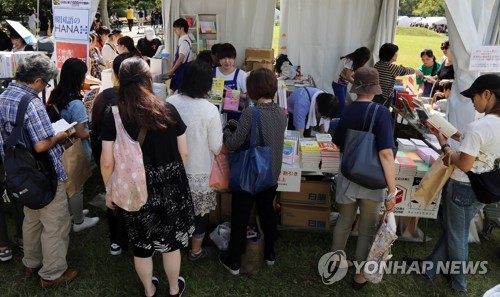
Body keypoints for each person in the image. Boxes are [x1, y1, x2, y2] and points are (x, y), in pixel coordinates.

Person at [100, 57, 194, 297]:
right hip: (170, 186)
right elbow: (184, 152)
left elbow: (107, 160)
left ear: (119, 81)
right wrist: (170, 177)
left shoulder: (114, 115)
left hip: (134, 189)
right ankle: (174, 289)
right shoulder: (167, 109)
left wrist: (109, 190)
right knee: (170, 244)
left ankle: (149, 290)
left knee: (141, 246)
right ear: (149, 79)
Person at [406, 74, 500, 293]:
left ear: (487, 94)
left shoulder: (479, 126)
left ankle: (459, 284)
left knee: (457, 236)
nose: (473, 103)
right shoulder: (482, 127)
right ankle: (430, 268)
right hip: (486, 188)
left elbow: (464, 164)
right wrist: (457, 135)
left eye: (474, 97)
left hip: (462, 187)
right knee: (455, 231)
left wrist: (445, 147)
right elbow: (481, 146)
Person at [0, 53, 79, 287]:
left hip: (18, 171)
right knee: (55, 222)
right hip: (43, 172)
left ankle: (31, 261)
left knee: (32, 217)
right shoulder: (32, 102)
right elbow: (42, 144)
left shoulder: (3, 96)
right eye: (45, 82)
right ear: (36, 80)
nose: (44, 87)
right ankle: (52, 273)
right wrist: (60, 136)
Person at [331, 67, 397, 291]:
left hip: (349, 174)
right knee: (367, 228)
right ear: (375, 88)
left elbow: (338, 141)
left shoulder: (347, 110)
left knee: (343, 222)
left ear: (356, 86)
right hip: (372, 179)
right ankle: (360, 276)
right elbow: (386, 153)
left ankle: (336, 263)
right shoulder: (381, 113)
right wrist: (393, 188)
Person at [219, 68, 287, 275]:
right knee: (267, 211)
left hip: (250, 173)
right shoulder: (281, 112)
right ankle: (270, 253)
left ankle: (234, 260)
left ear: (253, 90)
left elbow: (233, 143)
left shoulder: (251, 113)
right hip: (271, 173)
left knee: (240, 215)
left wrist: (227, 129)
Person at [168, 60, 223, 261]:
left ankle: (175, 246)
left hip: (173, 168)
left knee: (175, 208)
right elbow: (216, 146)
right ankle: (196, 250)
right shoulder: (209, 110)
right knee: (199, 213)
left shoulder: (170, 102)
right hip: (199, 170)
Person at [47, 58, 100, 233]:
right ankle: (78, 221)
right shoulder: (76, 104)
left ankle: (73, 212)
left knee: (69, 184)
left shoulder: (56, 94)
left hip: (60, 148)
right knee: (77, 186)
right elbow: (81, 133)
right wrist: (92, 129)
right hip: (76, 149)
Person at [91, 53, 134, 256]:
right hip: (129, 161)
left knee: (113, 196)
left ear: (116, 74)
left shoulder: (103, 96)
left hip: (106, 156)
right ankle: (127, 238)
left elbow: (94, 128)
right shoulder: (133, 101)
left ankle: (116, 240)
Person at [212, 43, 249, 121]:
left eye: (230, 58)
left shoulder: (241, 75)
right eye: (223, 58)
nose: (227, 61)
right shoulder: (211, 73)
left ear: (234, 58)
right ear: (219, 59)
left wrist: (233, 94)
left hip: (235, 118)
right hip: (215, 116)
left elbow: (248, 97)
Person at [332, 47, 371, 116]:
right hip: (338, 84)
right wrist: (359, 84)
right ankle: (337, 121)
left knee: (342, 103)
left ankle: (338, 119)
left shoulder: (350, 59)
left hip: (342, 84)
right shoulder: (351, 61)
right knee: (342, 105)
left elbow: (351, 75)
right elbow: (348, 77)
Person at [166, 18, 192, 92]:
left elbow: (180, 59)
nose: (174, 31)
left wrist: (172, 70)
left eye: (176, 28)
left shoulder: (184, 41)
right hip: (180, 70)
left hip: (181, 71)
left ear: (182, 28)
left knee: (176, 93)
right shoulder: (184, 39)